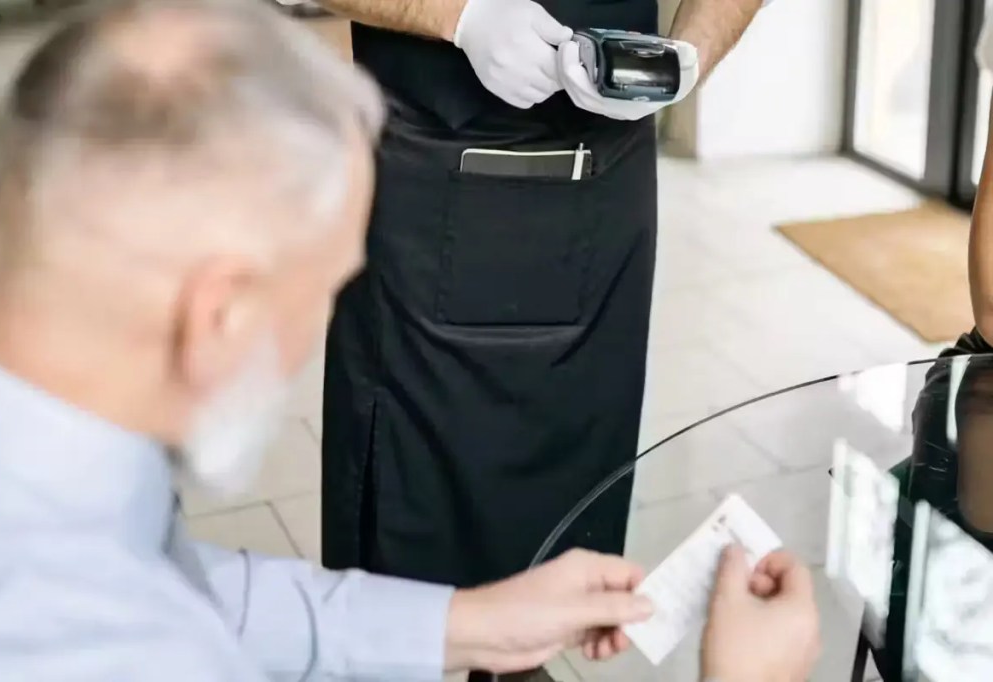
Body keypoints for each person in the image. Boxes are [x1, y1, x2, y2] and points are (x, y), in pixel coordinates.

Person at [0, 1, 820, 681]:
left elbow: (178, 590)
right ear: (221, 314)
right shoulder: (94, 644)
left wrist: (464, 625)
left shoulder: (64, 497)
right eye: (329, 285)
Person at [314, 1, 773, 667]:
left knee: (565, 518)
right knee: (404, 540)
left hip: (606, 178)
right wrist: (460, 17)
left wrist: (690, 57)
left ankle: (524, 661)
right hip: (440, 162)